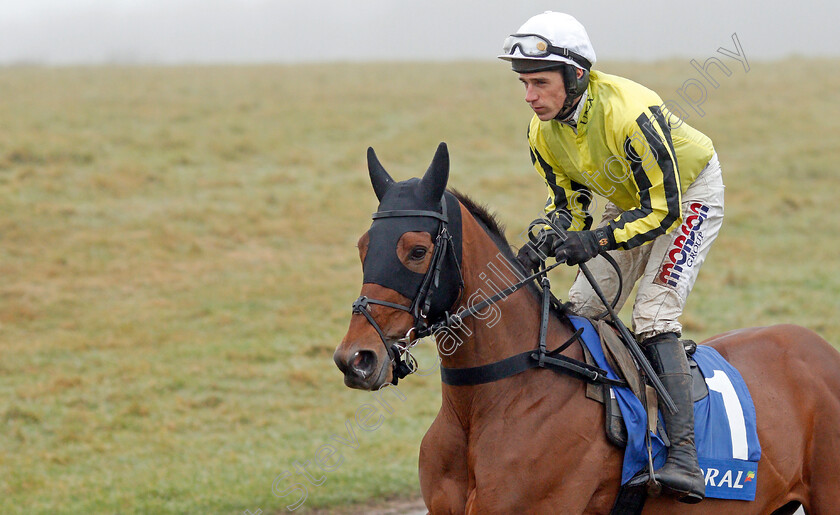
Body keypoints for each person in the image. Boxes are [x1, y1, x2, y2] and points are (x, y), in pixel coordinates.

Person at [500, 11, 725, 503]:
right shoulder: (542, 134)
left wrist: (596, 241)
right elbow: (569, 209)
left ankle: (684, 455)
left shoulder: (629, 113)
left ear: (576, 75)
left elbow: (664, 212)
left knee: (651, 316)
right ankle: (605, 434)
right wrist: (550, 238)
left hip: (688, 198)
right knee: (581, 313)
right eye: (523, 83)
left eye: (539, 82)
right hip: (629, 205)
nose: (529, 96)